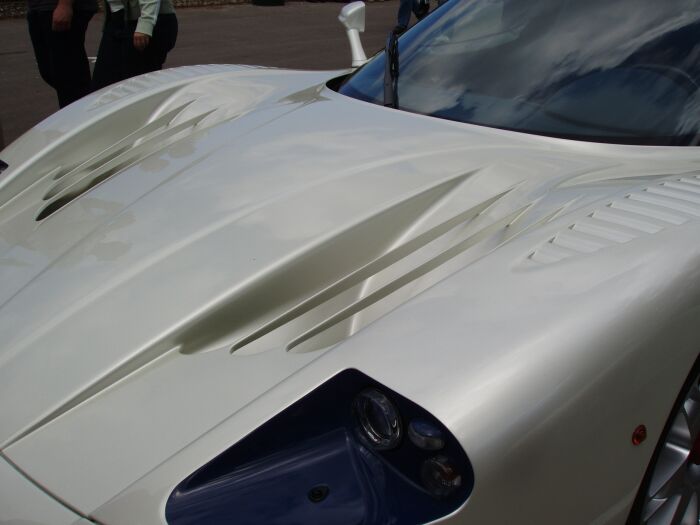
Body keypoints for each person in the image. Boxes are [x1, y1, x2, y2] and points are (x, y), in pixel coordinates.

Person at [91, 0, 177, 91]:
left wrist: (145, 24)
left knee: (138, 86)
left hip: (144, 21)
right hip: (117, 19)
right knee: (102, 85)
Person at [26, 0, 97, 108]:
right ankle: (77, 113)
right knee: (51, 72)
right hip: (39, 8)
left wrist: (65, 5)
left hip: (58, 7)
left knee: (69, 77)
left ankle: (79, 116)